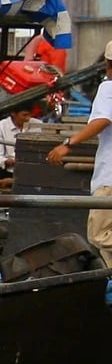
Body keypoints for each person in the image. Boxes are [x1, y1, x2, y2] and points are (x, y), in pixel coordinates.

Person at [48, 40, 112, 267]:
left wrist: (69, 144)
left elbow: (103, 119)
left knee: (100, 234)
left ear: (107, 64)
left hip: (110, 179)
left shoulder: (109, 87)